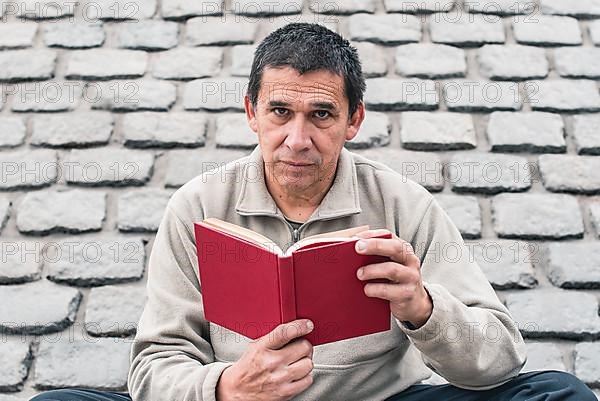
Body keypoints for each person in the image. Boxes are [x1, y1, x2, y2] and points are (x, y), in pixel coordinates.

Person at [31, 23, 596, 401]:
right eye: (280, 111)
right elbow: (153, 366)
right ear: (252, 112)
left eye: (322, 115)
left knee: (560, 394)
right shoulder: (197, 207)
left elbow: (498, 360)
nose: (297, 139)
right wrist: (228, 386)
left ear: (354, 121)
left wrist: (424, 308)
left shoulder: (403, 205)